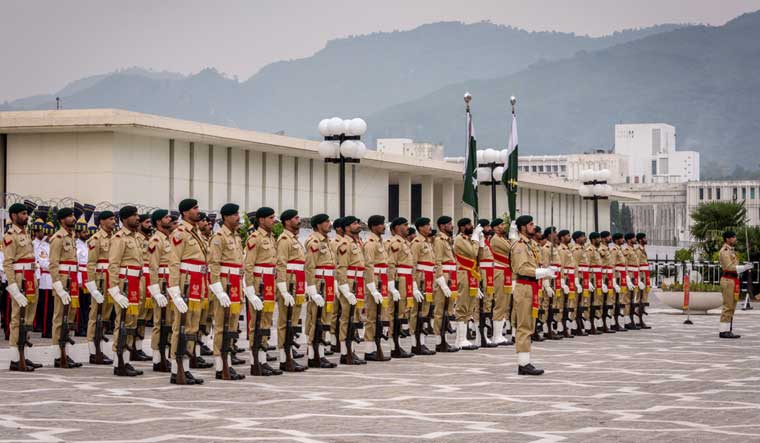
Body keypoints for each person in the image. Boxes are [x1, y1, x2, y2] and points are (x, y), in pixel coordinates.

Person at [166, 198, 208, 385]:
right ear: (185, 213)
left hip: (197, 283)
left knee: (192, 327)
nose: (198, 211)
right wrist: (174, 289)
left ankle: (186, 368)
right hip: (185, 283)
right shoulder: (180, 233)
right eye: (194, 208)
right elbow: (174, 261)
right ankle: (177, 370)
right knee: (180, 327)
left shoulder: (195, 232)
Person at [206, 203, 246, 380]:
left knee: (232, 327)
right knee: (221, 326)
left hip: (236, 285)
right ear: (226, 217)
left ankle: (228, 363)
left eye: (238, 214)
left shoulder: (237, 237)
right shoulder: (218, 237)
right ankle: (220, 366)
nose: (238, 217)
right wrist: (218, 290)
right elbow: (213, 264)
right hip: (224, 284)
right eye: (235, 214)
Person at [510, 215, 553, 376]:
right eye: (530, 224)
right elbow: (521, 268)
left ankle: (525, 361)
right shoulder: (520, 246)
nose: (533, 227)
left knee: (530, 325)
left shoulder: (531, 244)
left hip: (532, 286)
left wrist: (546, 272)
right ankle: (523, 364)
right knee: (524, 326)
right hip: (524, 286)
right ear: (522, 228)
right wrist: (542, 272)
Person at [3, 203, 43, 371]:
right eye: (23, 214)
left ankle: (23, 355)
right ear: (13, 216)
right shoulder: (11, 235)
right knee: (16, 318)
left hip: (30, 278)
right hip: (19, 279)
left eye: (27, 214)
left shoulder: (26, 234)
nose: (26, 216)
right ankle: (14, 358)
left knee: (27, 319)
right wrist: (12, 287)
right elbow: (8, 263)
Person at [244, 207, 283, 376]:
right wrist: (251, 290)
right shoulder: (255, 238)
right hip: (259, 283)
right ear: (261, 220)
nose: (273, 220)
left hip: (269, 283)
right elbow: (249, 265)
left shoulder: (271, 238)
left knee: (266, 322)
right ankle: (255, 362)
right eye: (270, 217)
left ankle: (263, 359)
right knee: (257, 324)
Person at [107, 206, 144, 376]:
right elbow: (113, 264)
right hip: (124, 283)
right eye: (134, 216)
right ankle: (118, 362)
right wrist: (114, 289)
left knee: (131, 323)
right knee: (121, 323)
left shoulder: (137, 237)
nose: (137, 218)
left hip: (135, 283)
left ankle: (126, 360)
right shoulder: (119, 238)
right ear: (125, 219)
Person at [49, 207, 83, 368]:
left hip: (73, 280)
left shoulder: (72, 236)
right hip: (63, 280)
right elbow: (53, 263)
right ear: (62, 220)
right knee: (59, 317)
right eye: (70, 216)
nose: (73, 218)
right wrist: (58, 286)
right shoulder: (58, 238)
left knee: (69, 317)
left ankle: (65, 352)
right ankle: (57, 354)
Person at [274, 209, 308, 371]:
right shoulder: (284, 240)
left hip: (298, 283)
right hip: (289, 283)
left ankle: (290, 355)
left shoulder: (295, 239)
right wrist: (283, 289)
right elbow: (281, 264)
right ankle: (284, 358)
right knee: (284, 321)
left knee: (293, 321)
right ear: (287, 222)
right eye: (296, 218)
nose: (299, 220)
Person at [304, 213, 337, 368]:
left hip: (329, 282)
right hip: (319, 283)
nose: (329, 224)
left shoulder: (328, 242)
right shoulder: (314, 241)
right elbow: (310, 266)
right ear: (318, 225)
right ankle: (313, 355)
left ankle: (321, 354)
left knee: (325, 319)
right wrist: (312, 290)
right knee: (314, 319)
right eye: (326, 222)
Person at [84, 210, 116, 364]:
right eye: (110, 219)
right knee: (95, 316)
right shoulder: (95, 239)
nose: (114, 222)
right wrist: (92, 287)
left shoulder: (115, 238)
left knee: (104, 317)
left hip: (110, 280)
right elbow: (90, 264)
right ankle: (93, 351)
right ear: (102, 222)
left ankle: (100, 349)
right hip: (100, 280)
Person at [146, 209, 173, 371]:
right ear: (158, 222)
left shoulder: (168, 239)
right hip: (161, 283)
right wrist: (155, 291)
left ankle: (166, 355)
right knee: (159, 322)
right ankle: (157, 359)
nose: (169, 219)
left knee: (169, 322)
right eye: (166, 217)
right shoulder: (156, 240)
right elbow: (152, 267)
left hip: (170, 284)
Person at [362, 215, 392, 361]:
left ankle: (375, 347)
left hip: (383, 282)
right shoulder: (370, 243)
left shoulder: (380, 242)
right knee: (372, 317)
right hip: (375, 282)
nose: (384, 226)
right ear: (374, 227)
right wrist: (372, 288)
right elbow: (369, 266)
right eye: (381, 224)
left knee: (381, 316)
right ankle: (369, 349)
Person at [386, 217, 415, 358]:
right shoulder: (395, 242)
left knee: (402, 312)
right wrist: (391, 284)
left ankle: (398, 344)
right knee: (394, 313)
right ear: (397, 227)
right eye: (404, 225)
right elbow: (391, 264)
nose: (407, 227)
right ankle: (394, 345)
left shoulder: (405, 243)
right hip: (399, 280)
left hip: (407, 279)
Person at [453, 218, 482, 351]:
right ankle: (460, 340)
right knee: (462, 306)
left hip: (472, 274)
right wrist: (476, 238)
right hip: (463, 274)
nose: (472, 227)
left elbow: (478, 255)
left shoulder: (469, 239)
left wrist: (479, 240)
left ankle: (463, 338)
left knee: (470, 306)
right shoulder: (459, 239)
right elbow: (472, 252)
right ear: (462, 227)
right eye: (469, 225)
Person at [409, 217, 436, 355]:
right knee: (416, 312)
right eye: (427, 225)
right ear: (420, 228)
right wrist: (413, 284)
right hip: (420, 278)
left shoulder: (428, 242)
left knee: (425, 312)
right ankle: (415, 343)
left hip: (428, 279)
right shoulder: (417, 242)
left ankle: (422, 342)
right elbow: (412, 263)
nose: (430, 227)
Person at [718, 231, 751, 338]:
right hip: (728, 280)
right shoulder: (725, 251)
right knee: (728, 306)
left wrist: (744, 267)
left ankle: (728, 329)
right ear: (727, 239)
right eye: (733, 237)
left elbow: (735, 267)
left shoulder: (731, 250)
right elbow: (729, 267)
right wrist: (744, 267)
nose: (735, 239)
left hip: (733, 280)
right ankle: (723, 331)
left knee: (732, 306)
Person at [489, 218, 512, 345]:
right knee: (500, 303)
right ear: (496, 228)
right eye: (502, 225)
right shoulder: (496, 240)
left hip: (506, 272)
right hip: (499, 272)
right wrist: (514, 237)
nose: (504, 226)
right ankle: (496, 335)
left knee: (505, 303)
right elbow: (511, 249)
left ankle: (499, 334)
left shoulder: (502, 238)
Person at [540, 227, 562, 340]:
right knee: (547, 305)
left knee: (555, 305)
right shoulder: (546, 248)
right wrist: (546, 285)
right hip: (549, 279)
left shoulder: (555, 248)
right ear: (549, 235)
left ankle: (553, 328)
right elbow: (545, 267)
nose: (556, 235)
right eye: (554, 233)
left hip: (556, 278)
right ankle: (545, 329)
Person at [571, 231, 590, 336]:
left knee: (582, 302)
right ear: (577, 239)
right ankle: (575, 326)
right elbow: (575, 266)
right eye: (583, 237)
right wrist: (576, 281)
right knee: (576, 303)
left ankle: (580, 325)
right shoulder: (576, 250)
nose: (585, 238)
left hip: (585, 279)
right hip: (580, 279)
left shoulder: (583, 249)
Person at [622, 233, 639, 330]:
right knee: (627, 299)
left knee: (633, 299)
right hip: (630, 276)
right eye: (633, 238)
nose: (635, 239)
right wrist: (627, 278)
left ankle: (631, 319)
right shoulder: (626, 250)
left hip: (635, 276)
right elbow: (625, 265)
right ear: (629, 240)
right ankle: (627, 320)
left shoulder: (634, 250)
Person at [635, 233, 652, 329]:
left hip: (645, 275)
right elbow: (636, 264)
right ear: (640, 240)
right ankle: (639, 320)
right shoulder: (638, 250)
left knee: (644, 298)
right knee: (640, 298)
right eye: (644, 238)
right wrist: (638, 279)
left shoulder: (643, 249)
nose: (646, 239)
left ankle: (640, 319)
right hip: (641, 275)